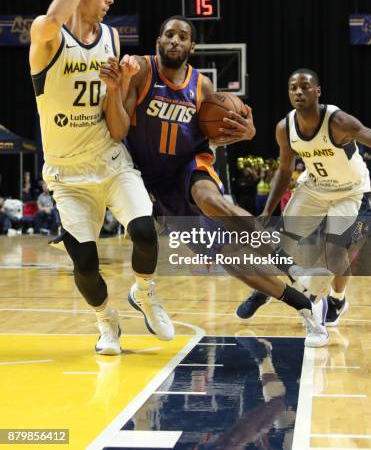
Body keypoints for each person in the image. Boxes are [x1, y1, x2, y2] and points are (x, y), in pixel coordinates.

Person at [100, 18, 331, 348]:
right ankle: (305, 306)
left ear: (192, 47)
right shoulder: (141, 72)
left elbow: (221, 131)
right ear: (158, 41)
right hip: (154, 184)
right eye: (169, 35)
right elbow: (119, 130)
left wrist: (247, 133)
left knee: (209, 198)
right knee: (230, 257)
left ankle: (292, 265)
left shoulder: (203, 86)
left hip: (190, 165)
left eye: (183, 37)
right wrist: (117, 88)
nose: (175, 41)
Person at [29, 0, 174, 355]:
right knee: (86, 264)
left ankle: (145, 292)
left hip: (110, 160)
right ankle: (106, 321)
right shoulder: (48, 37)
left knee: (146, 233)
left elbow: (117, 128)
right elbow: (52, 19)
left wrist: (118, 87)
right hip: (67, 175)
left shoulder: (112, 39)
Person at [236, 68, 371, 326]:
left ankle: (338, 300)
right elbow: (285, 171)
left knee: (335, 252)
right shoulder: (284, 128)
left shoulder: (339, 121)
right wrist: (268, 210)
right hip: (314, 189)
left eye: (305, 86)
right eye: (293, 87)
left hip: (350, 192)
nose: (298, 91)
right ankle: (264, 290)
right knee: (279, 248)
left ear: (317, 91)